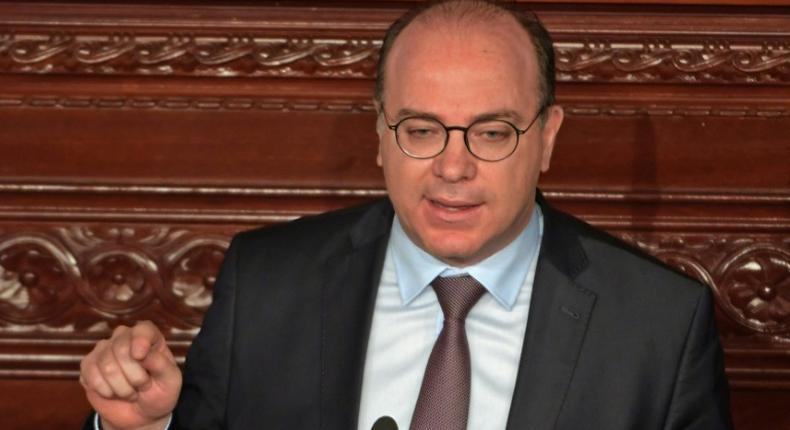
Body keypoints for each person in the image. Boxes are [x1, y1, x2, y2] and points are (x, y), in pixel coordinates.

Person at [79, 1, 733, 429]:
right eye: (421, 130)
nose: (452, 167)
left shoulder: (657, 325)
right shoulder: (268, 284)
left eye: (492, 132)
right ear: (381, 134)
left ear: (547, 138)